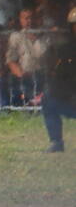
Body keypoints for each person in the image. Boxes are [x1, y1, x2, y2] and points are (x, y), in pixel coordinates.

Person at [40, 8, 76, 152]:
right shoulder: (64, 49)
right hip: (71, 98)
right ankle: (56, 142)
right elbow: (59, 76)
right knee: (48, 99)